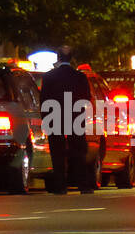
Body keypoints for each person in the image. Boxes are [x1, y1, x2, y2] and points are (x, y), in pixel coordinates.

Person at [38, 45, 95, 194]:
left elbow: (43, 100)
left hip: (54, 118)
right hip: (75, 118)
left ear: (58, 58)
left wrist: (45, 120)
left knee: (57, 153)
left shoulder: (49, 77)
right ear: (72, 59)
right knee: (78, 152)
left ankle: (60, 186)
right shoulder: (80, 77)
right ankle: (83, 185)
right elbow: (86, 98)